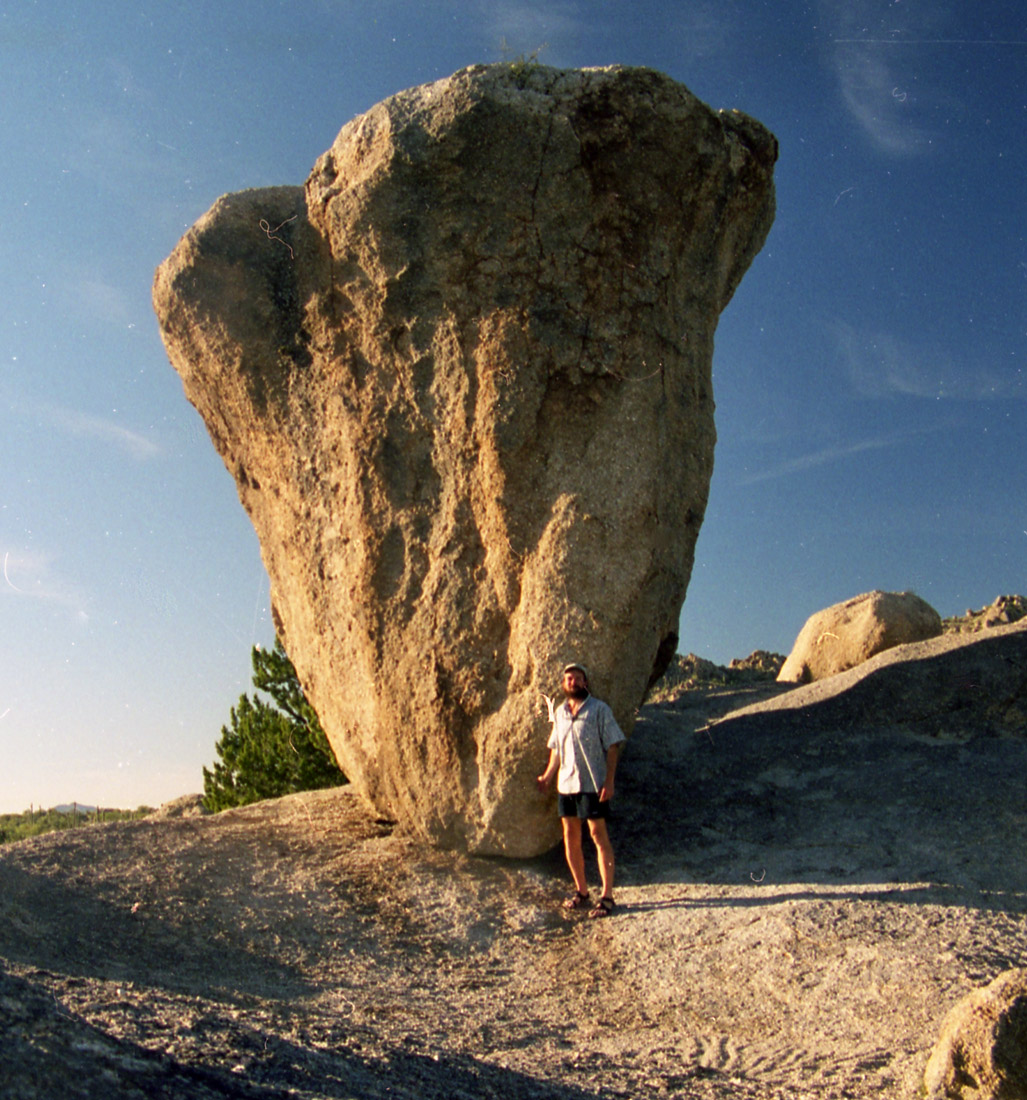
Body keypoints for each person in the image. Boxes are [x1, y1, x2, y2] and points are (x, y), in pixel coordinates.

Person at [536, 662, 625, 918]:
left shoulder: (599, 710)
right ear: (563, 684)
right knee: (570, 836)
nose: (572, 682)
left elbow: (613, 746)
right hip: (566, 785)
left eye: (576, 678)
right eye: (568, 678)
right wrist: (546, 776)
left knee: (598, 835)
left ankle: (607, 897)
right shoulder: (560, 713)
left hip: (593, 785)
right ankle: (582, 892)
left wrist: (609, 781)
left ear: (585, 682)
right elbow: (556, 750)